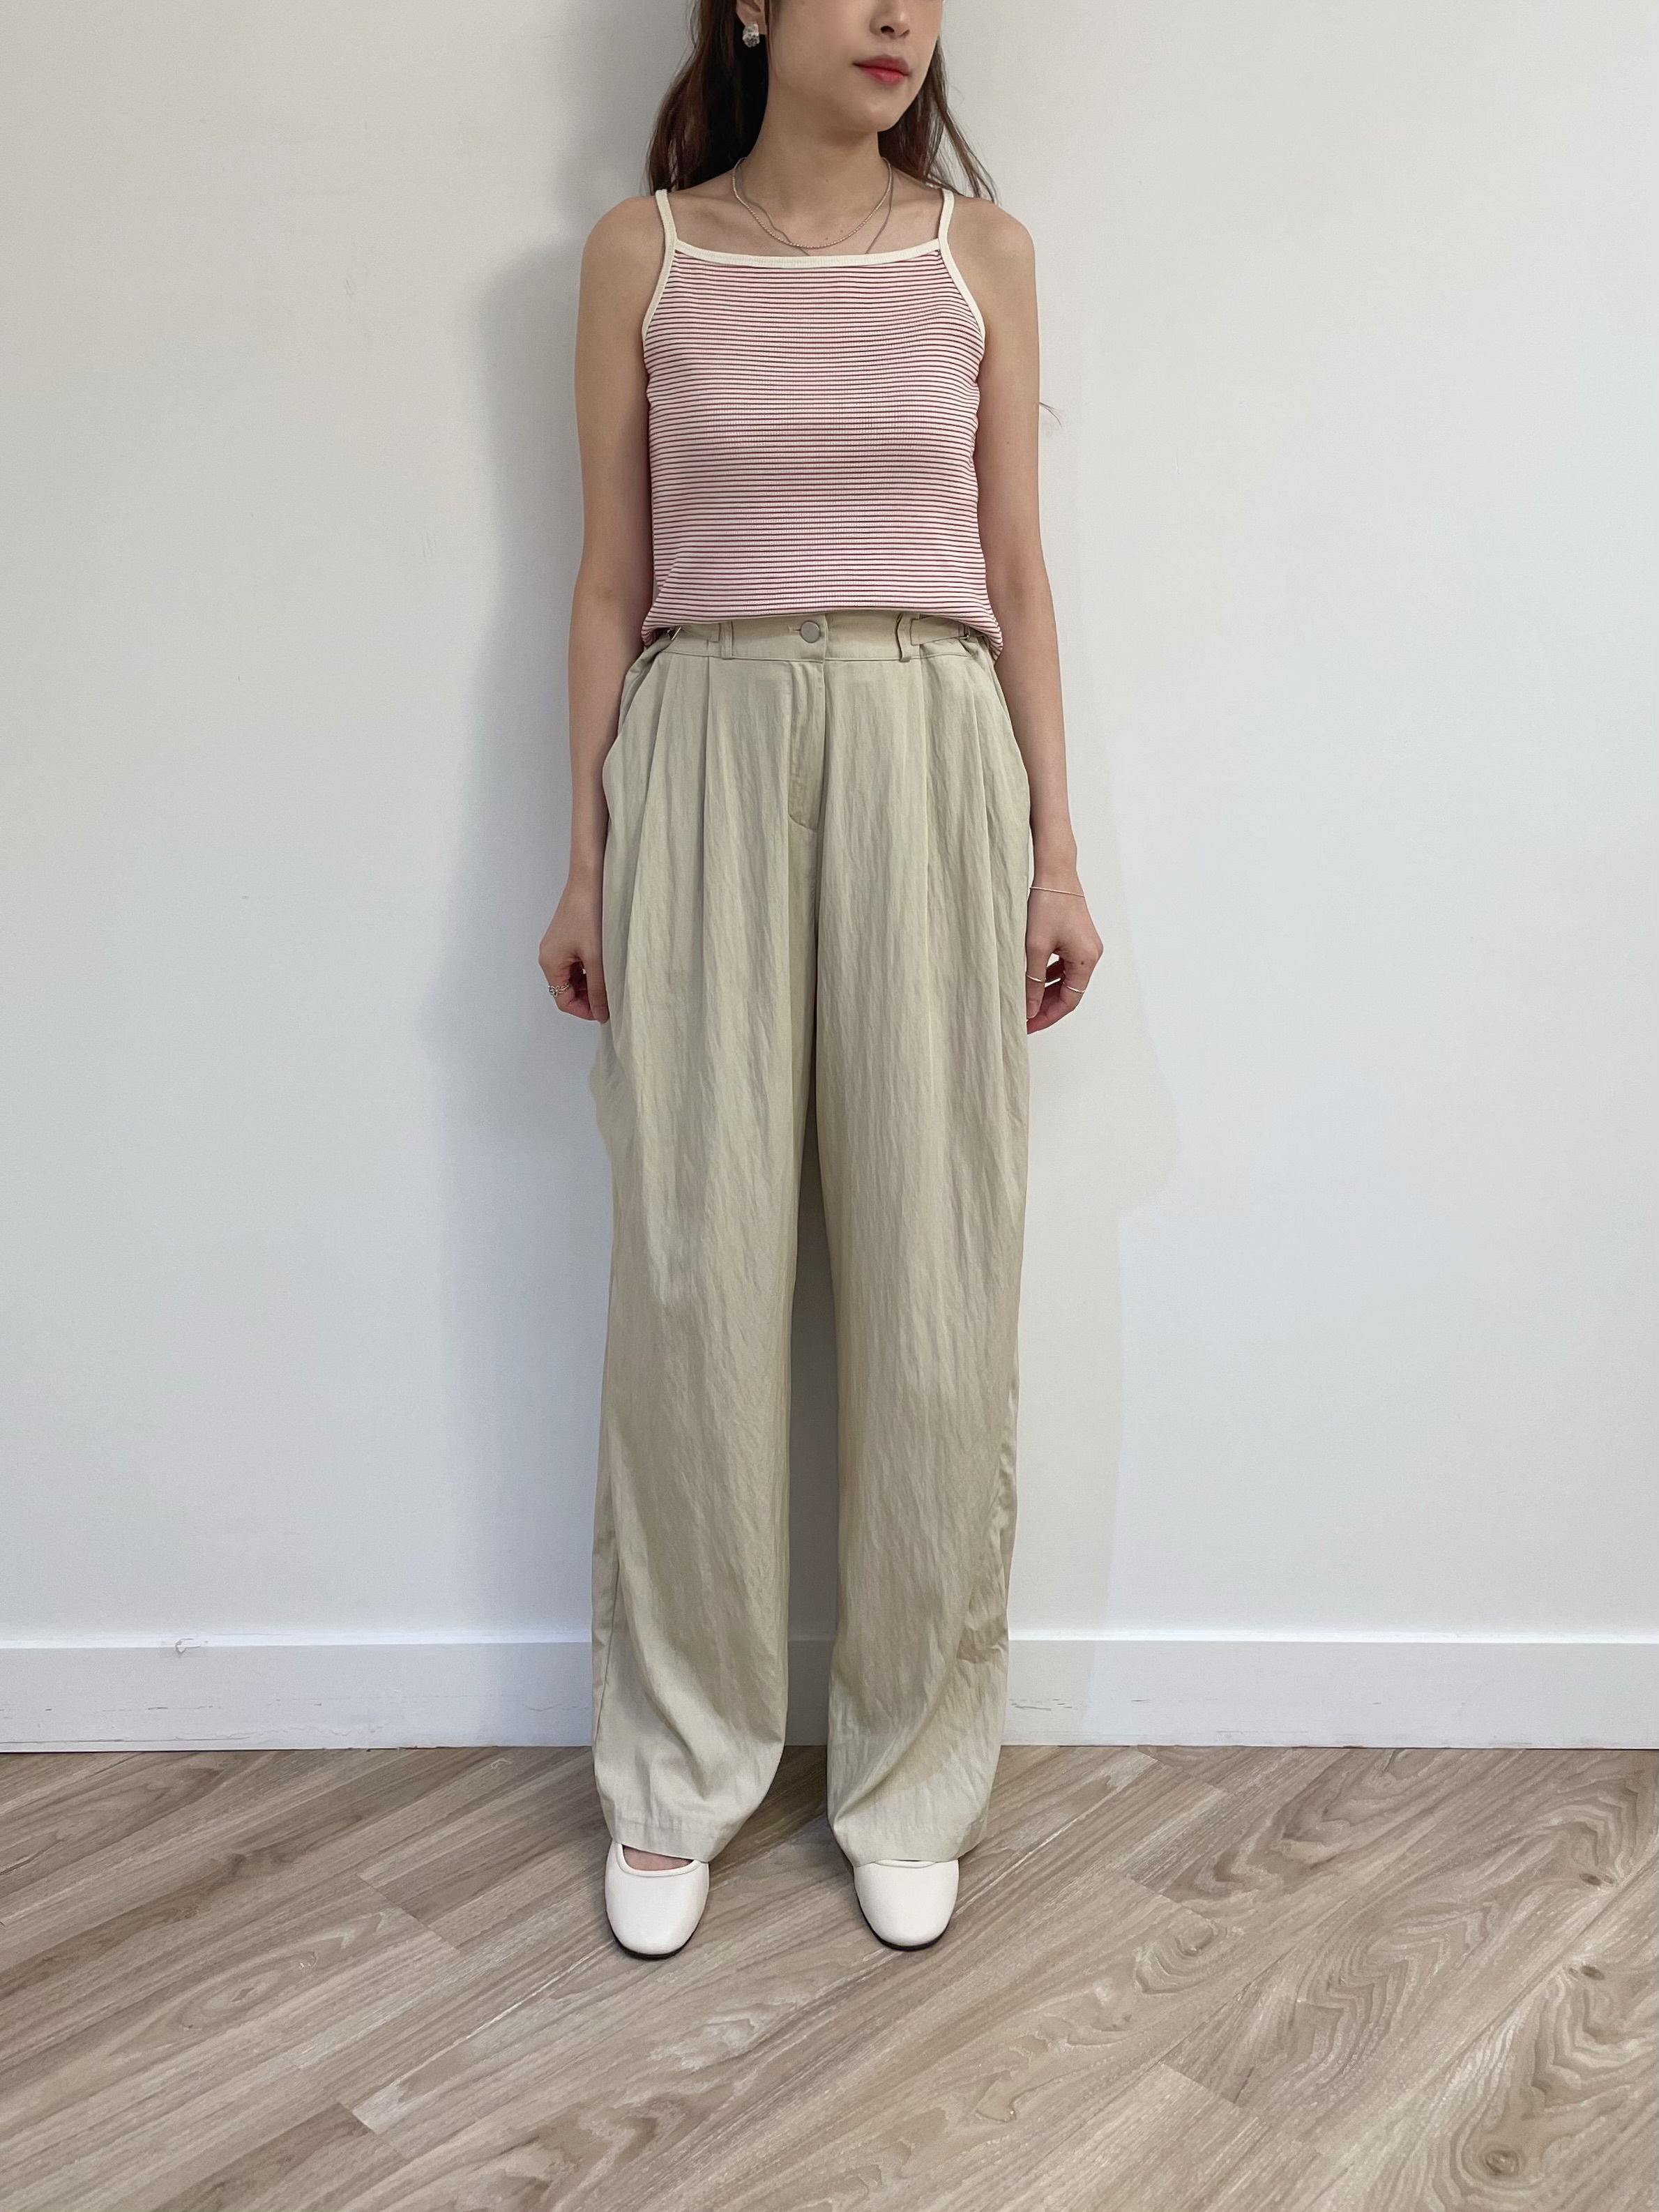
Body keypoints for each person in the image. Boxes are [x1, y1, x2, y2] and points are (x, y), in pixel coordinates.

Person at [538, 0, 1101, 1957]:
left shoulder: (978, 254)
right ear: (752, 5)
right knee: (693, 1271)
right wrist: (585, 857)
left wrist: (1056, 851)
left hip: (929, 739)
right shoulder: (643, 251)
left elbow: (1017, 576)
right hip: (700, 738)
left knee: (931, 1275)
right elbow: (608, 580)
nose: (896, 19)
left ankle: (912, 1769)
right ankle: (678, 1762)